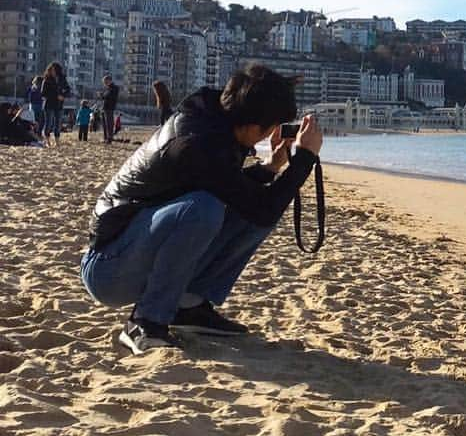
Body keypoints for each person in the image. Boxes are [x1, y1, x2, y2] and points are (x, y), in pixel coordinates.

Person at [81, 64, 321, 355]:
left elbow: (233, 190)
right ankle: (145, 323)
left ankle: (187, 306)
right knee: (203, 210)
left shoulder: (215, 125)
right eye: (269, 128)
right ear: (254, 124)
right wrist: (305, 159)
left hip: (134, 249)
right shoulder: (197, 143)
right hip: (109, 269)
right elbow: (250, 202)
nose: (267, 134)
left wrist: (271, 168)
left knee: (242, 210)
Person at [40, 62, 71, 145]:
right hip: (49, 104)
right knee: (48, 123)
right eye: (51, 69)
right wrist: (55, 96)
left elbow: (68, 89)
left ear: (58, 70)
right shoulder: (46, 79)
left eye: (54, 69)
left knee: (58, 123)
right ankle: (47, 140)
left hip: (59, 104)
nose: (52, 71)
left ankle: (57, 140)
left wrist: (63, 96)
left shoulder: (62, 79)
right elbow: (43, 93)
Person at [99, 74, 120, 144]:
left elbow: (110, 96)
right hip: (105, 107)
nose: (104, 84)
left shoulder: (114, 88)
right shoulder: (108, 88)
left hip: (109, 107)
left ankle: (109, 138)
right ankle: (106, 138)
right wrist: (102, 96)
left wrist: (103, 95)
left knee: (109, 124)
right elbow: (105, 97)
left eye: (105, 82)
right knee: (105, 124)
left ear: (109, 80)